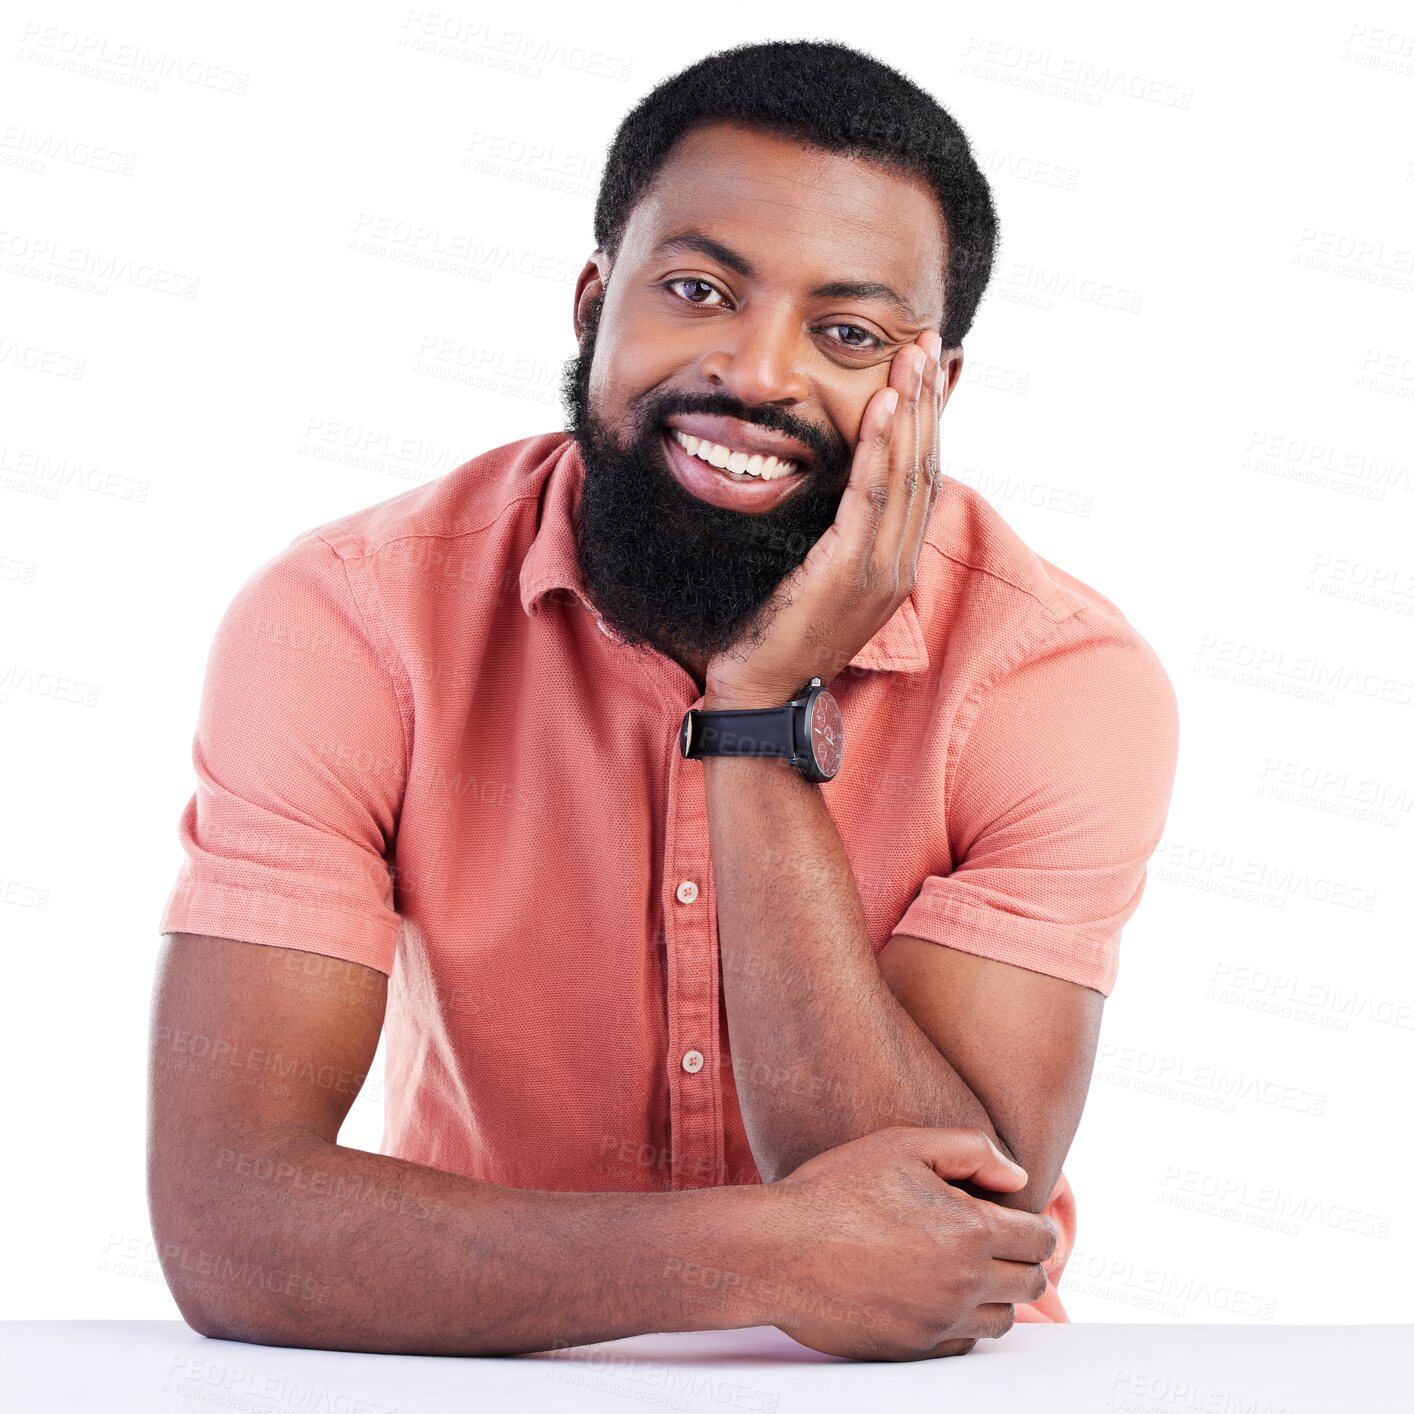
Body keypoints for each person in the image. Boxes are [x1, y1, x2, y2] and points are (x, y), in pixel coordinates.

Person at [149, 39, 1179, 1362]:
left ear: (933, 390)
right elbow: (233, 1221)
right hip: (471, 1378)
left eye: (848, 332)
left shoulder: (1052, 677)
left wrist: (758, 712)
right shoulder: (347, 621)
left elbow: (950, 1233)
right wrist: (775, 1251)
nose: (755, 374)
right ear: (593, 301)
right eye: (697, 289)